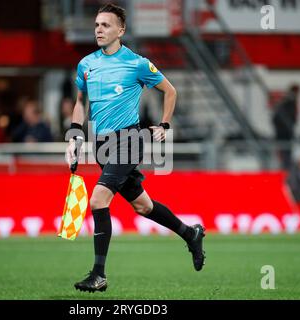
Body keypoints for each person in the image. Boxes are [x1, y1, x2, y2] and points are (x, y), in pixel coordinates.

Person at [65, 3, 206, 293]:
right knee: (143, 206)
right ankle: (190, 234)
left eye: (105, 25)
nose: (99, 30)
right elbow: (80, 102)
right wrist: (74, 136)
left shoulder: (137, 63)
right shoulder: (87, 64)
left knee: (97, 200)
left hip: (128, 141)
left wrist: (164, 125)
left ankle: (99, 274)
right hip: (100, 144)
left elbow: (170, 91)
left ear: (121, 30)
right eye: (96, 25)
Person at [272, 84, 300, 170]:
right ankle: (286, 169)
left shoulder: (285, 101)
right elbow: (282, 117)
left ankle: (285, 168)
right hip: (285, 133)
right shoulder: (290, 101)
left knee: (284, 152)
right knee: (286, 152)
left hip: (282, 132)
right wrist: (289, 127)